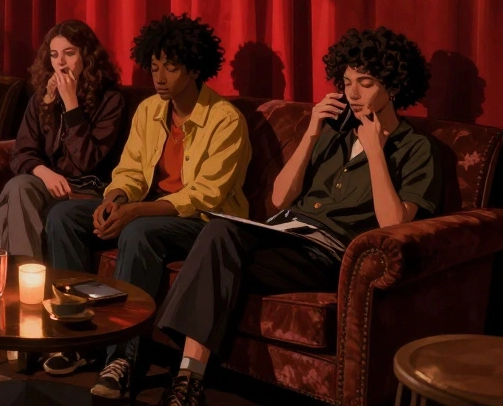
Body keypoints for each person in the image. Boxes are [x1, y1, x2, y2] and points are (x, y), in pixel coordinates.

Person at [153, 27, 439, 406]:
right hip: (281, 233)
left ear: (394, 85)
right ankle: (189, 378)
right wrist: (311, 133)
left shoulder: (416, 148)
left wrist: (374, 152)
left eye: (365, 83)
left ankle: (185, 377)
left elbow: (393, 225)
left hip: (326, 254)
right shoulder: (335, 135)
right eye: (347, 82)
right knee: (219, 234)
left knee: (216, 249)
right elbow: (278, 198)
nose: (352, 94)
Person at [43, 14, 251, 395]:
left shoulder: (225, 120)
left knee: (138, 232)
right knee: (63, 215)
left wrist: (135, 211)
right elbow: (131, 172)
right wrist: (115, 199)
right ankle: (77, 340)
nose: (158, 77)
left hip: (204, 224)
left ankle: (123, 360)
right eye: (154, 66)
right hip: (150, 208)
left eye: (169, 68)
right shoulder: (150, 110)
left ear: (193, 68)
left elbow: (204, 196)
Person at [0, 19, 127, 260]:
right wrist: (43, 172)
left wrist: (71, 104)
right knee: (19, 185)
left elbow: (86, 162)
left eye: (69, 54)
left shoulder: (110, 100)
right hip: (49, 184)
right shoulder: (43, 97)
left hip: (87, 189)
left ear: (87, 56)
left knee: (3, 213)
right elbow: (20, 153)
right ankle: (30, 277)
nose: (60, 62)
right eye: (54, 54)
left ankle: (13, 282)